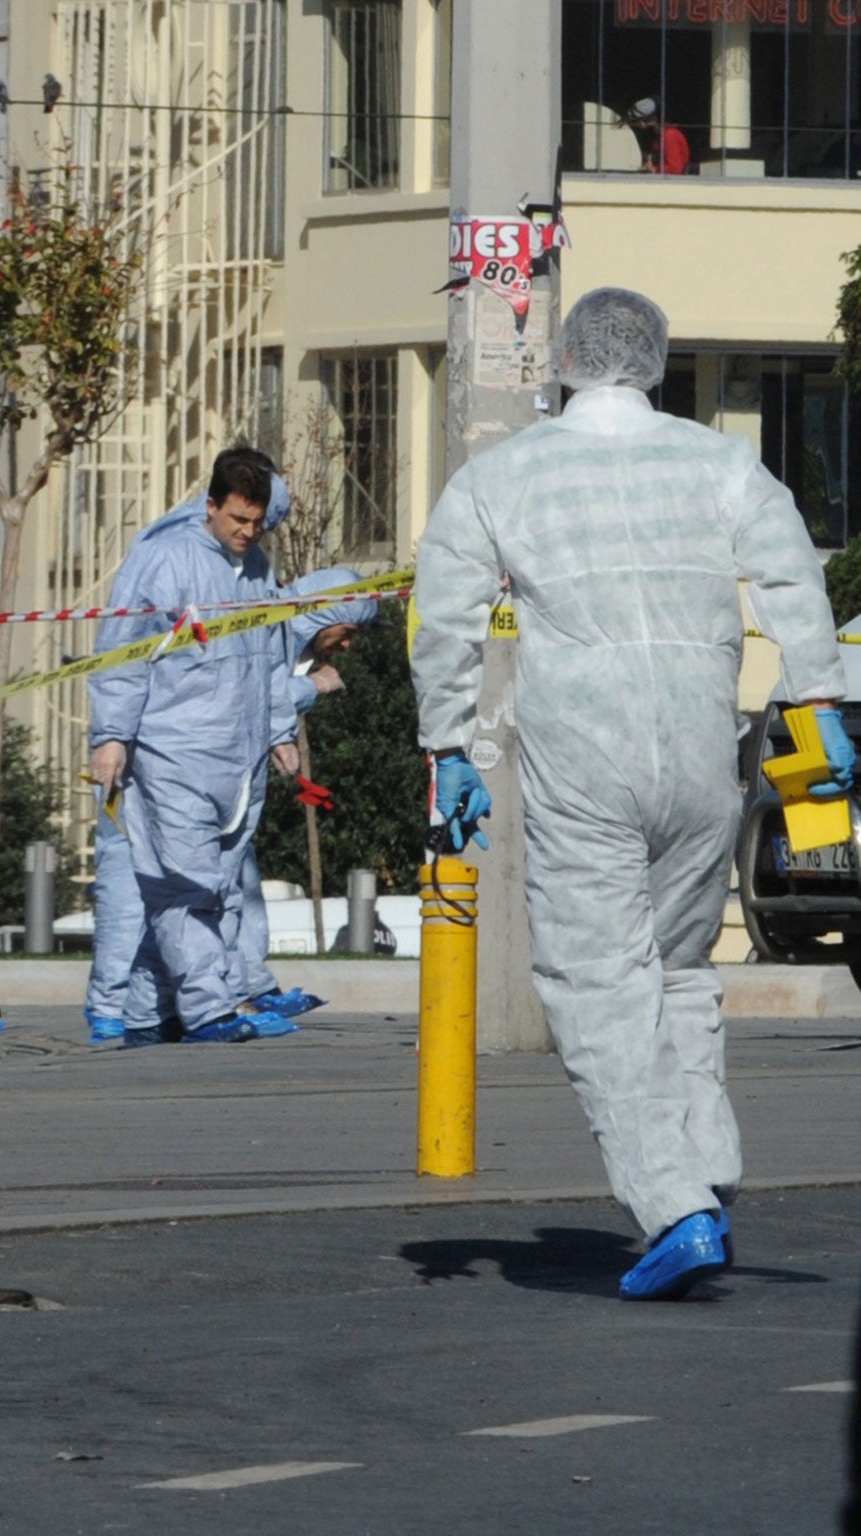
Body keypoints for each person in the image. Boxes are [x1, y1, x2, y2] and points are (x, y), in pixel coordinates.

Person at [412, 286, 848, 1301]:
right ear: (652, 362)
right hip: (702, 747)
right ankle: (703, 1155)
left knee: (596, 984)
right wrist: (814, 697)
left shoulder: (502, 477)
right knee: (681, 966)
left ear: (562, 361)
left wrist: (447, 749)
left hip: (583, 760)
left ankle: (674, 1203)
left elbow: (445, 622)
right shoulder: (716, 462)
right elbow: (791, 577)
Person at [88, 449, 299, 1048]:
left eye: (256, 522)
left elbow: (271, 658)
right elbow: (122, 653)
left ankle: (145, 1011)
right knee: (185, 883)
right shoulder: (163, 561)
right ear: (210, 506)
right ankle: (208, 1007)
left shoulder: (257, 569)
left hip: (241, 755)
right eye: (237, 519)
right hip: (173, 749)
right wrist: (111, 737)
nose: (247, 532)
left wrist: (280, 731)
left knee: (219, 882)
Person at [228, 566, 381, 1013]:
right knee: (217, 882)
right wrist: (313, 687)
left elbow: (267, 697)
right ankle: (206, 998)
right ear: (323, 612)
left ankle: (250, 986)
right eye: (347, 630)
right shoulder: (272, 632)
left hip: (236, 777)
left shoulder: (285, 637)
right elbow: (248, 696)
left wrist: (280, 735)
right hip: (204, 776)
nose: (348, 644)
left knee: (242, 880)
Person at [628, 97, 690, 176]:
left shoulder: (670, 135)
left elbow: (675, 168)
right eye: (639, 120)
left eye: (647, 120)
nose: (642, 124)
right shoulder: (660, 136)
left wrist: (654, 169)